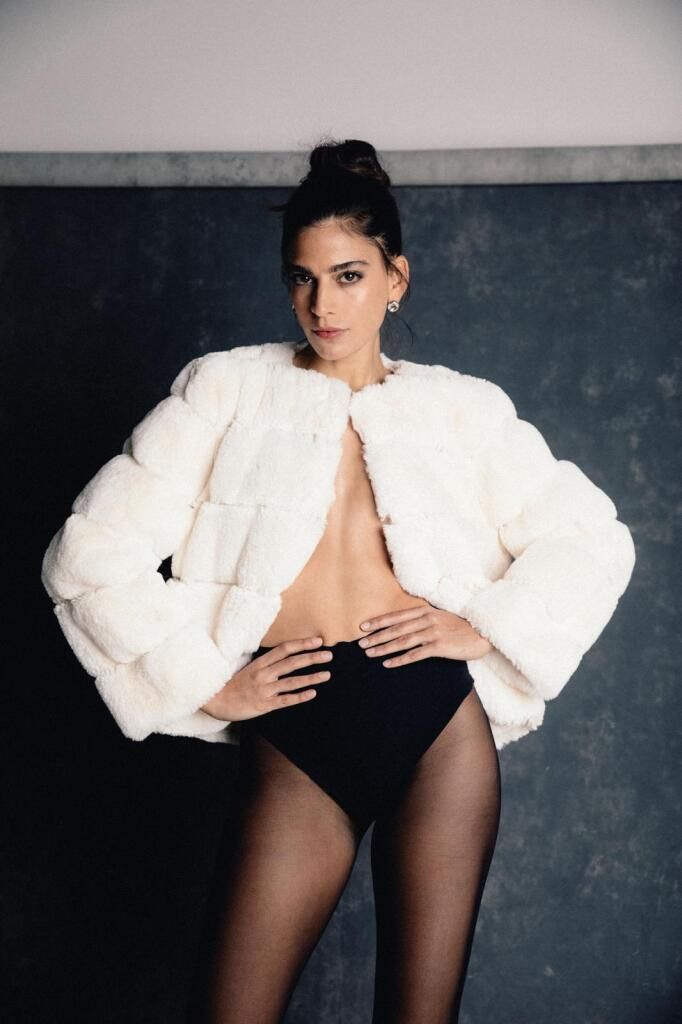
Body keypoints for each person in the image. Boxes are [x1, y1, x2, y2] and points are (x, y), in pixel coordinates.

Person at [40, 138, 636, 1023]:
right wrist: (203, 682)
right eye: (304, 278)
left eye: (349, 276)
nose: (323, 305)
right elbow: (86, 556)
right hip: (300, 730)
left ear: (396, 278)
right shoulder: (226, 391)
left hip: (438, 729)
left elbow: (590, 538)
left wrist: (487, 624)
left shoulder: (461, 409)